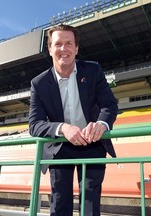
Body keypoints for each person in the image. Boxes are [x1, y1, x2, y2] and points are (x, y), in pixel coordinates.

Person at [29, 24, 118, 216]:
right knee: (60, 204)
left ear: (76, 48)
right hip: (60, 147)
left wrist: (101, 124)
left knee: (90, 203)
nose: (63, 48)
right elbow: (34, 124)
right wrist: (62, 128)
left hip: (92, 143)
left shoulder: (93, 70)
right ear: (50, 49)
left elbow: (109, 105)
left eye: (69, 43)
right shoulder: (38, 83)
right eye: (58, 44)